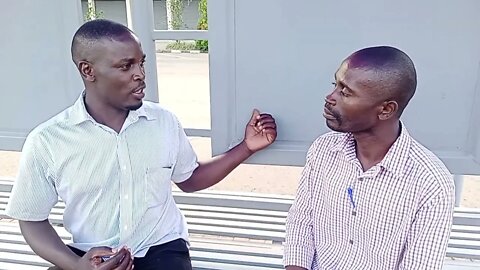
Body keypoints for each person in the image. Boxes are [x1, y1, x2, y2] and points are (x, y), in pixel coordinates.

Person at [6, 19, 277, 270]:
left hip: (162, 249)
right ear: (88, 70)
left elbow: (190, 179)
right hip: (88, 256)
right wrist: (75, 265)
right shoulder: (48, 141)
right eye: (126, 66)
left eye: (141, 63)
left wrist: (246, 147)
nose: (140, 75)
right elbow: (31, 219)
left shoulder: (163, 122)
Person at [284, 46, 455, 270]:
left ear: (386, 109)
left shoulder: (431, 183)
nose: (330, 98)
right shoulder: (323, 150)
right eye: (334, 85)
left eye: (345, 92)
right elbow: (301, 222)